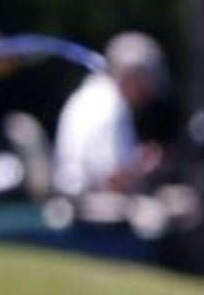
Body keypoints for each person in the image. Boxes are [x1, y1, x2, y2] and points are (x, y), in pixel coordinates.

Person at [52, 32, 171, 197]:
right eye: (146, 82)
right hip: (92, 208)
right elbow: (112, 180)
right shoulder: (112, 105)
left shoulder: (89, 93)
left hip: (78, 202)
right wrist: (146, 168)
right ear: (133, 76)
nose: (147, 93)